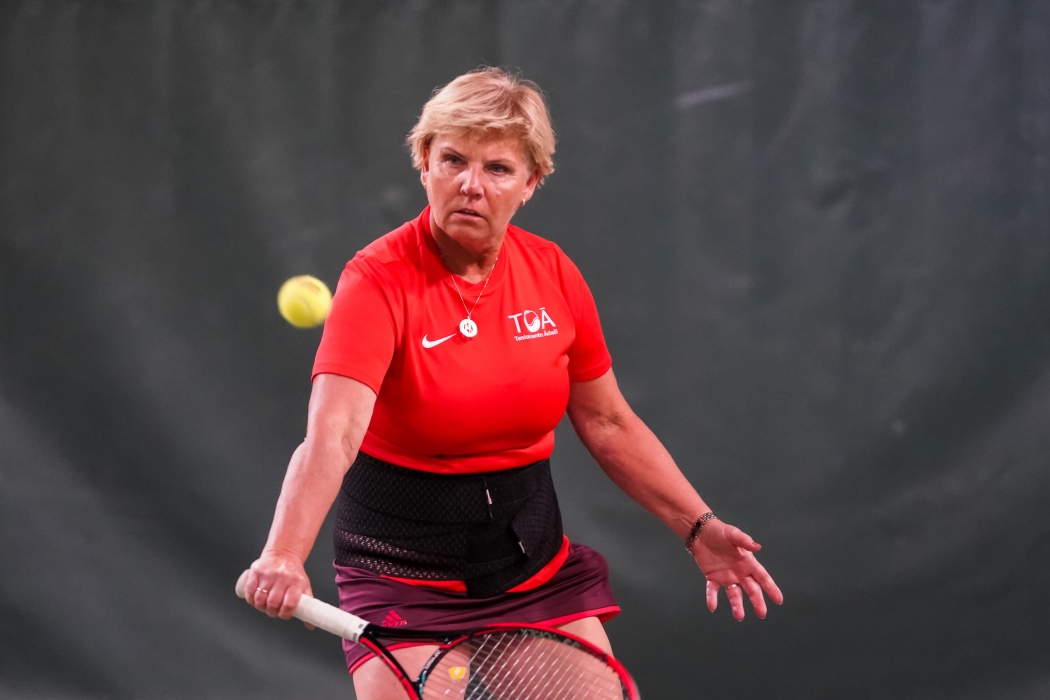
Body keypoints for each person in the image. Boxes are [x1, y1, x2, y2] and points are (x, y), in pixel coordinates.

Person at [241, 67, 782, 699]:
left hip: (528, 567)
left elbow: (608, 422)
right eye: (453, 160)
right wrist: (284, 554)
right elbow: (333, 434)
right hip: (400, 573)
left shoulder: (553, 273)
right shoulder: (376, 280)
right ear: (423, 162)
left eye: (497, 168)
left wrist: (697, 526)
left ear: (531, 182)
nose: (470, 185)